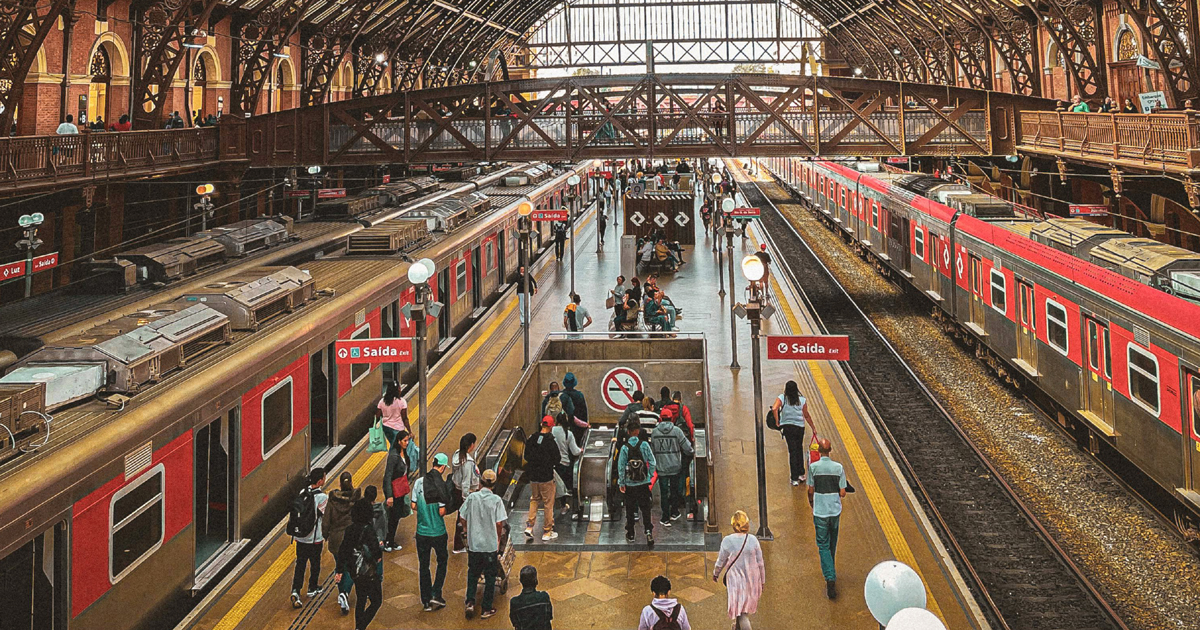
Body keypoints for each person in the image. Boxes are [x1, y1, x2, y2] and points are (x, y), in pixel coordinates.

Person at [460, 469, 508, 619]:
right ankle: (486, 608)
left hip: (474, 544)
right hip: (489, 545)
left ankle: (470, 601)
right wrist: (498, 539)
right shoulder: (496, 500)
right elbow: (499, 523)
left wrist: (467, 530)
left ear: (480, 482)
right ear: (494, 484)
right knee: (490, 575)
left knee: (473, 573)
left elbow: (462, 516)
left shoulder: (472, 498)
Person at [808, 437, 848, 599]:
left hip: (820, 511)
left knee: (823, 545)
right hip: (834, 510)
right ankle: (830, 568)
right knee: (832, 542)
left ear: (819, 451)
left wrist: (811, 503)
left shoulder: (813, 468)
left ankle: (830, 577)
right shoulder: (838, 468)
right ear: (830, 451)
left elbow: (810, 490)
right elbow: (843, 492)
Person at [713, 510, 766, 630]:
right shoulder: (753, 540)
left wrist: (716, 573)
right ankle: (737, 627)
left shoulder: (728, 540)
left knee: (742, 613)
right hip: (752, 579)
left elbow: (721, 561)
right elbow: (760, 563)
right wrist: (762, 580)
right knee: (741, 609)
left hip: (736, 581)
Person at [335, 500, 383, 629]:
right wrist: (379, 550)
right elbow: (376, 553)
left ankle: (358, 626)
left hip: (355, 571)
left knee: (361, 599)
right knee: (376, 601)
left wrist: (339, 570)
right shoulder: (368, 529)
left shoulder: (350, 529)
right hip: (369, 572)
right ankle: (360, 626)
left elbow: (343, 550)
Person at [413, 453, 451, 611]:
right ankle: (436, 593)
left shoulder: (419, 482)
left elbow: (413, 506)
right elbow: (442, 511)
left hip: (422, 532)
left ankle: (426, 600)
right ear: (442, 467)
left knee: (424, 565)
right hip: (438, 532)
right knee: (442, 561)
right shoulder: (440, 485)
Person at [291, 468, 328, 608]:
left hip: (300, 538)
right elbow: (325, 516)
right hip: (314, 538)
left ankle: (296, 590)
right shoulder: (322, 497)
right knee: (315, 563)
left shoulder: (302, 492)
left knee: (300, 564)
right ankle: (312, 587)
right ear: (319, 481)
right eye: (324, 478)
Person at [324, 471, 360, 614]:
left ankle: (342, 594)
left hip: (335, 539)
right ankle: (344, 593)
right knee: (351, 567)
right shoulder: (356, 498)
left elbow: (326, 521)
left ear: (340, 483)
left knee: (339, 566)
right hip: (351, 539)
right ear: (351, 482)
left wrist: (326, 535)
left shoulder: (332, 500)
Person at [618, 421, 657, 545]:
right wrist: (649, 476)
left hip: (630, 485)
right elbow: (653, 462)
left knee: (630, 509)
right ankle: (649, 532)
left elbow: (621, 467)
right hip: (643, 484)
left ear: (628, 432)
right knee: (646, 509)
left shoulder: (625, 448)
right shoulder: (644, 445)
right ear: (638, 431)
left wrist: (622, 482)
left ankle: (631, 533)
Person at [650, 413, 693, 526]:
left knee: (664, 492)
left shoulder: (654, 432)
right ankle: (674, 512)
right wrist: (691, 452)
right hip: (675, 466)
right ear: (671, 418)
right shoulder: (677, 431)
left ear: (661, 418)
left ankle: (665, 518)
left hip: (661, 466)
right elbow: (686, 447)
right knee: (674, 490)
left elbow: (652, 449)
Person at [524, 416, 561, 541]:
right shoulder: (550, 442)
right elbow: (557, 458)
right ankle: (547, 531)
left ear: (541, 424)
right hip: (546, 477)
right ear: (551, 427)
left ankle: (529, 526)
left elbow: (526, 456)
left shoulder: (532, 438)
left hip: (533, 476)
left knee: (534, 499)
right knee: (548, 503)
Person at [771, 380, 813, 486]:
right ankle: (801, 474)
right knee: (799, 448)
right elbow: (806, 415)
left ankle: (794, 478)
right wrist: (813, 427)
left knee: (792, 451)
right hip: (799, 428)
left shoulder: (782, 398)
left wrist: (777, 421)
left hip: (788, 427)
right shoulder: (802, 400)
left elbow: (774, 408)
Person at [382, 430, 419, 551]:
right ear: (398, 441)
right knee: (393, 516)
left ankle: (391, 540)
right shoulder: (393, 456)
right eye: (405, 440)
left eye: (408, 440)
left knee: (396, 515)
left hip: (400, 489)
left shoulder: (404, 454)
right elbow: (388, 476)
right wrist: (389, 495)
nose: (407, 443)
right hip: (394, 490)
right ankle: (388, 540)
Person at [450, 432, 481, 553]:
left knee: (462, 518)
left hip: (457, 490)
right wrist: (466, 498)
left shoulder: (458, 456)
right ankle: (459, 545)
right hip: (465, 494)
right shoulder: (467, 462)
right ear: (471, 445)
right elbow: (466, 482)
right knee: (463, 519)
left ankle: (462, 543)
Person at [552, 409, 582, 515]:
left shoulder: (552, 430)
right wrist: (581, 450)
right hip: (564, 464)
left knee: (553, 486)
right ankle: (564, 507)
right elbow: (575, 452)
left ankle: (550, 507)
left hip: (553, 464)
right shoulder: (568, 433)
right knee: (564, 487)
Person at [509, 566, 554, 630]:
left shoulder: (514, 602)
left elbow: (515, 623)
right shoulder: (544, 597)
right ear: (536, 581)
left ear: (520, 581)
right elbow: (549, 616)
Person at [558, 372, 589, 444]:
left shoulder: (561, 395)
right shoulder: (579, 395)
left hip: (564, 426)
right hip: (577, 428)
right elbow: (584, 412)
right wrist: (584, 424)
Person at [377, 380, 409, 445]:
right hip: (398, 429)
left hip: (386, 428)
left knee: (393, 444)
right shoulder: (402, 402)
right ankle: (393, 455)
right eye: (399, 388)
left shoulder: (382, 401)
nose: (400, 390)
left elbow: (377, 416)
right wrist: (410, 431)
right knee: (398, 446)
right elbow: (404, 418)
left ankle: (393, 454)